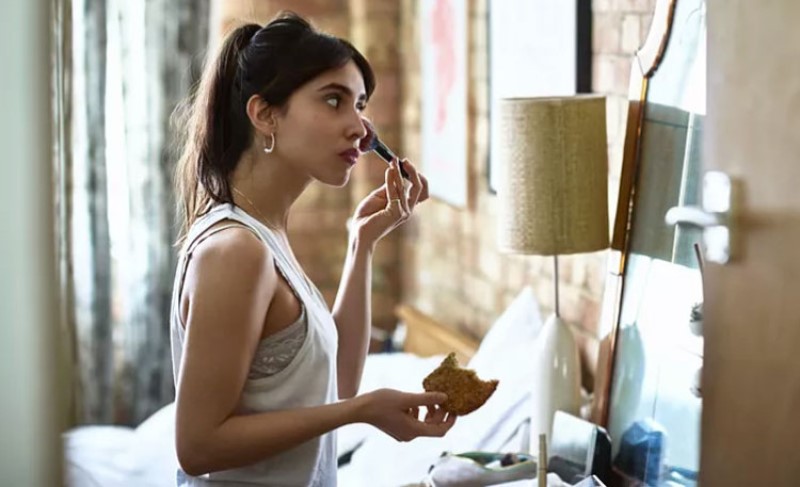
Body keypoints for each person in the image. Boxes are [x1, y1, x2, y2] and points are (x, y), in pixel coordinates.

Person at [169, 11, 455, 486]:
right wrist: (359, 412)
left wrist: (362, 243)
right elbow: (198, 447)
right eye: (333, 100)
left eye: (359, 105)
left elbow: (336, 384)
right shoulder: (236, 250)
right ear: (265, 114)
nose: (360, 128)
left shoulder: (265, 235)